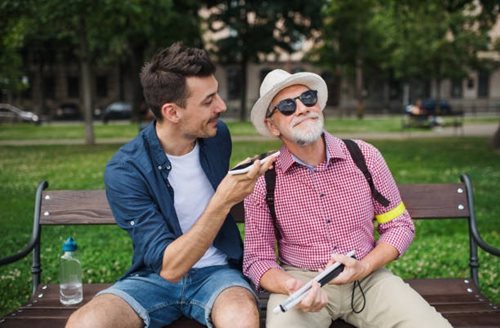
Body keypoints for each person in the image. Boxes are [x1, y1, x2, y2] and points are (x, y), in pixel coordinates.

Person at [66, 43, 274, 328]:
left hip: (218, 274)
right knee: (87, 323)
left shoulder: (217, 136)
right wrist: (224, 199)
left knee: (242, 318)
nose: (221, 107)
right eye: (209, 100)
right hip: (153, 278)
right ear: (172, 112)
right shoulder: (125, 170)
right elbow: (169, 267)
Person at [242, 69, 452, 328]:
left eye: (308, 98)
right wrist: (292, 285)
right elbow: (257, 259)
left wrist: (364, 267)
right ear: (272, 126)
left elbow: (399, 225)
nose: (301, 108)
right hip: (303, 281)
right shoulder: (264, 180)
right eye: (287, 106)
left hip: (368, 278)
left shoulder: (364, 156)